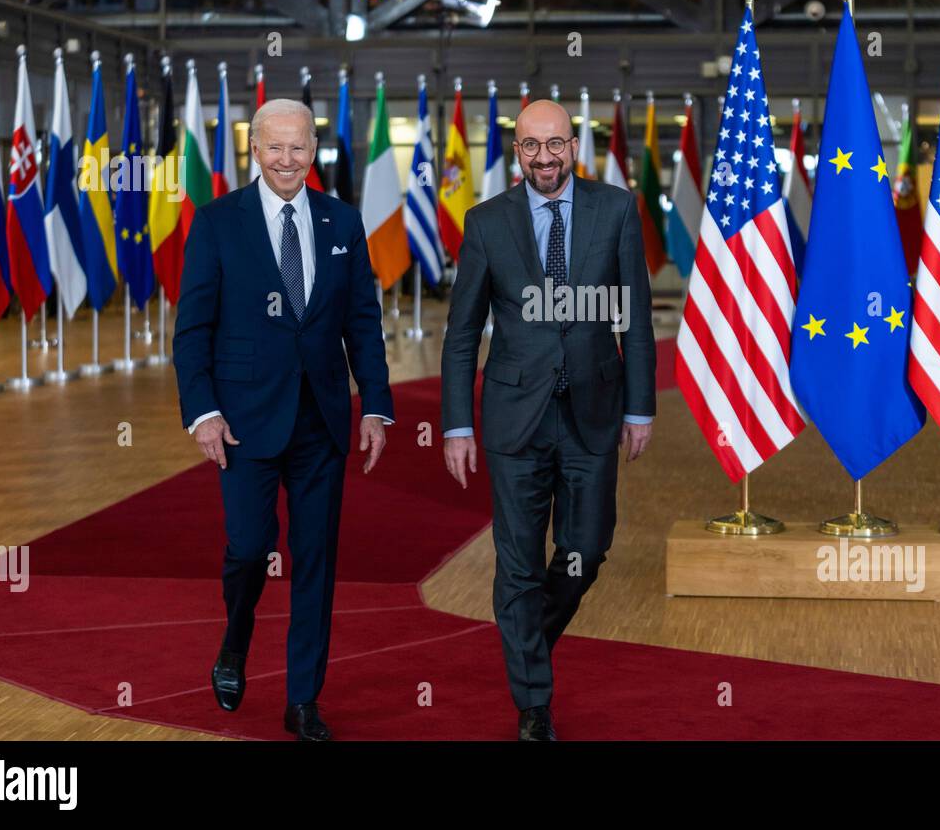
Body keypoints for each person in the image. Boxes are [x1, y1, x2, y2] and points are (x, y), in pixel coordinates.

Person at [173, 98, 393, 741]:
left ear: (314, 150)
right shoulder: (217, 222)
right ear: (255, 150)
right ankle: (236, 638)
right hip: (242, 421)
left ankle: (303, 701)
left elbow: (363, 322)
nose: (288, 160)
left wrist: (375, 404)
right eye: (276, 147)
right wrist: (203, 413)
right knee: (249, 548)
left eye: (299, 148)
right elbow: (193, 331)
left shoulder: (342, 221)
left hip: (321, 421)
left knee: (316, 560)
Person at [441, 98, 656, 740]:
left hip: (593, 411)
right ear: (518, 152)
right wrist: (456, 426)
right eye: (531, 146)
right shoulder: (485, 223)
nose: (544, 157)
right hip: (514, 419)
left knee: (585, 553)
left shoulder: (615, 210)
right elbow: (461, 335)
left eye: (555, 144)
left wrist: (640, 407)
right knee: (518, 563)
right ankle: (534, 703)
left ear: (573, 145)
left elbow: (636, 322)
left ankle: (526, 635)